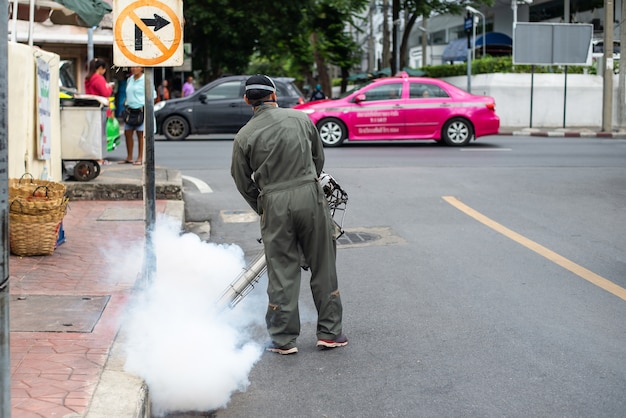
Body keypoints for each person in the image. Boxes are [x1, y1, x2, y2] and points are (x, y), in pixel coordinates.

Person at [231, 75, 347, 355]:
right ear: (274, 95)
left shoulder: (244, 135)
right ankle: (329, 333)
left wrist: (262, 205)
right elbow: (318, 159)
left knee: (282, 271)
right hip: (309, 195)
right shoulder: (301, 119)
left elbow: (241, 178)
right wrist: (307, 180)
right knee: (323, 265)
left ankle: (283, 339)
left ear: (247, 100)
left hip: (273, 202)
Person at [119, 67, 147, 165]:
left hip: (140, 110)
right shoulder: (130, 79)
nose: (134, 69)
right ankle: (129, 156)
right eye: (132, 66)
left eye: (137, 66)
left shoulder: (146, 79)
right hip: (130, 110)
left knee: (140, 134)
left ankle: (140, 157)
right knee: (127, 133)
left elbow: (153, 95)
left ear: (142, 68)